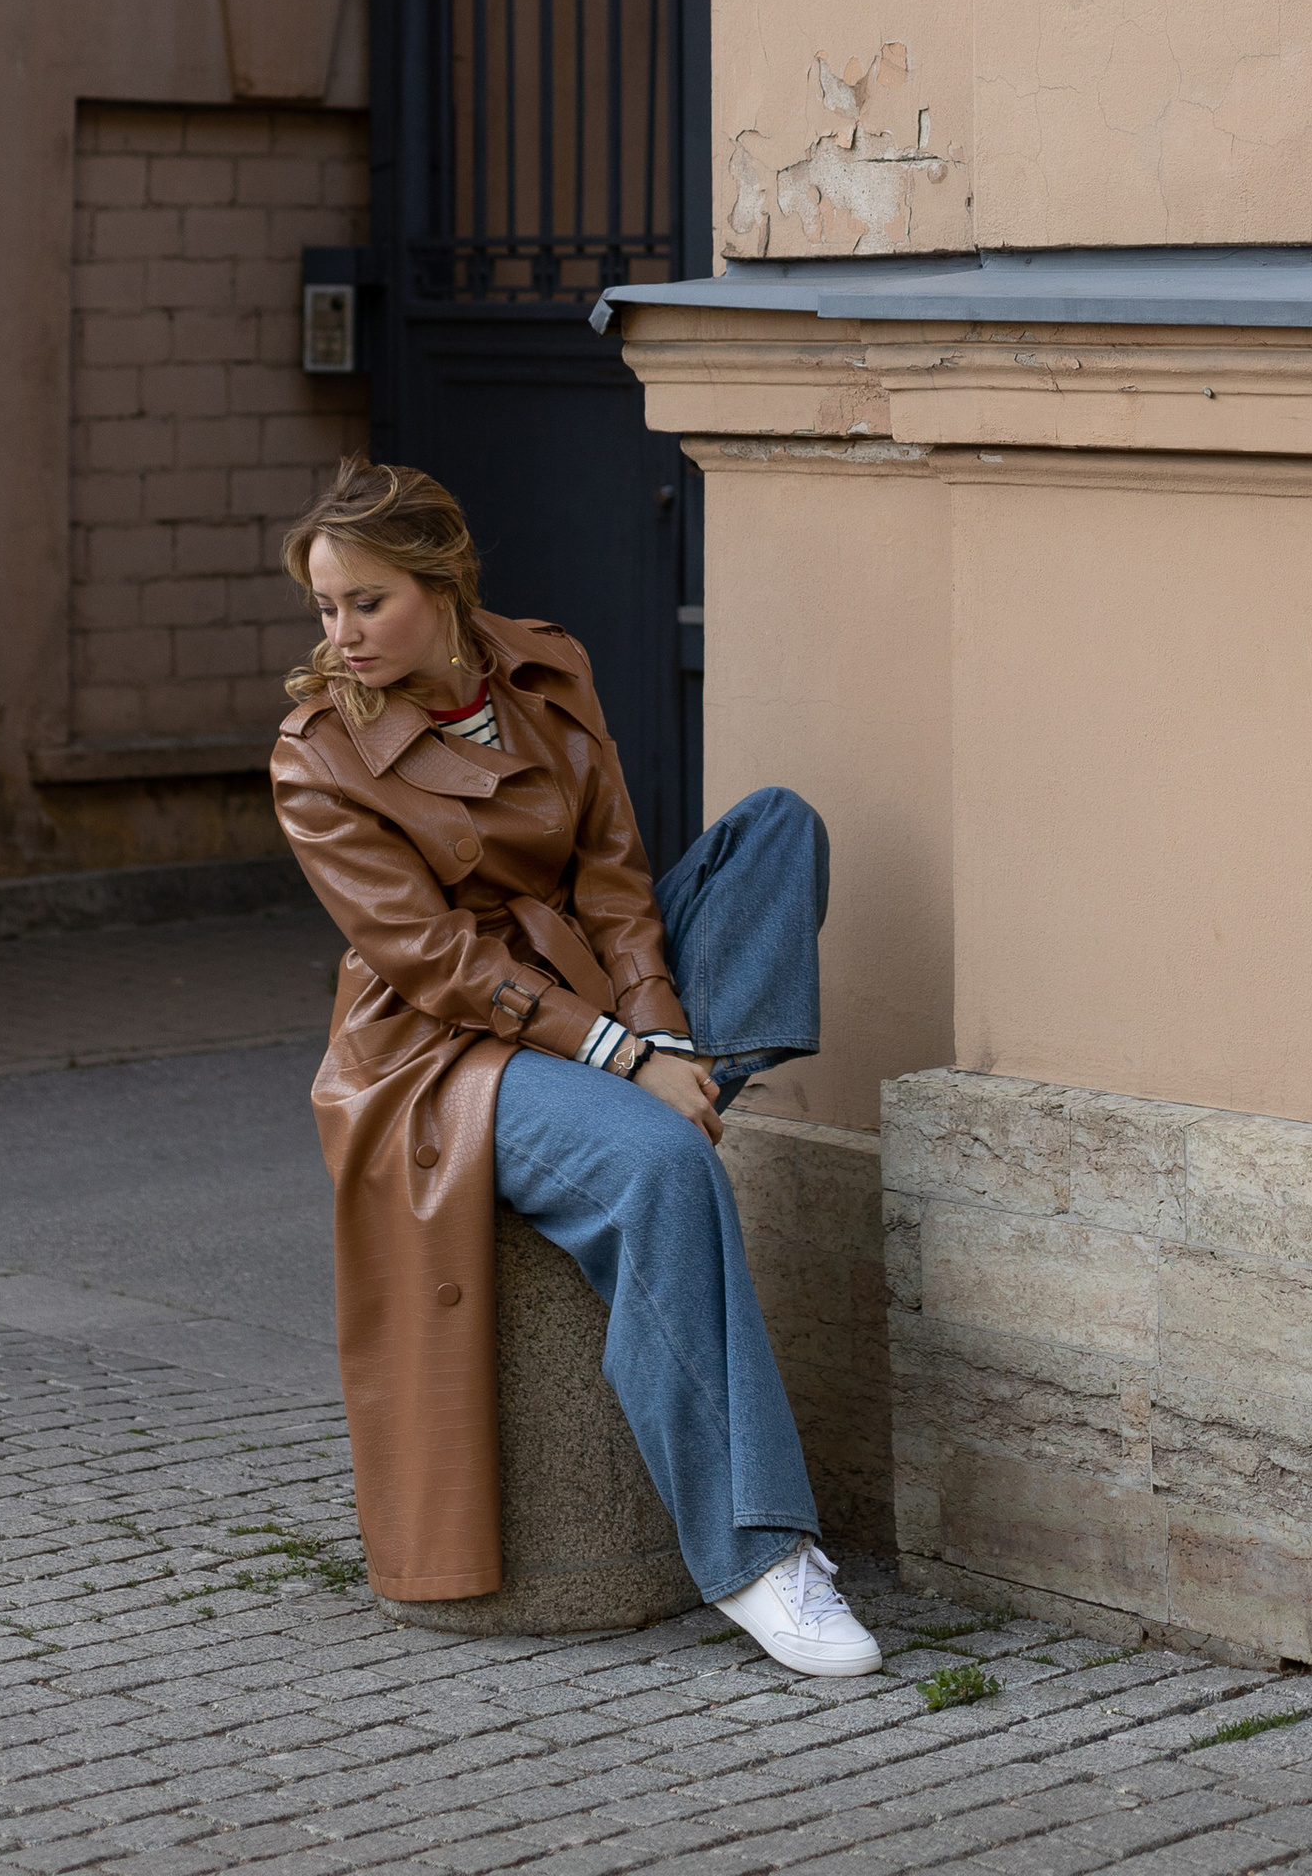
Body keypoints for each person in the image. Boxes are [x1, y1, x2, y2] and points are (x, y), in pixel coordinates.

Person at [268, 456, 881, 1679]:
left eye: (368, 602)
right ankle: (758, 1559)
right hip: (444, 1054)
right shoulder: (317, 754)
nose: (343, 635)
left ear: (443, 583)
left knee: (774, 829)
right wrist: (620, 1058)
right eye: (327, 608)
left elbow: (611, 873)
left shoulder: (547, 667)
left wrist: (658, 1037)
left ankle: (679, 1085)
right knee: (661, 1170)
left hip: (598, 1001)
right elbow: (437, 963)